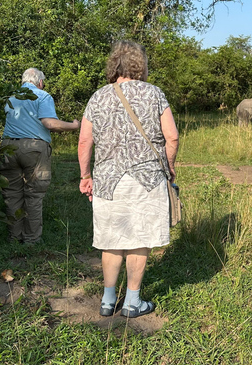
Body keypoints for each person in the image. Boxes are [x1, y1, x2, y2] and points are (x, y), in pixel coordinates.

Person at [77, 41, 178, 318]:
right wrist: (169, 168)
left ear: (114, 65)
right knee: (139, 238)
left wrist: (86, 175)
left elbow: (85, 139)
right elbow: (172, 136)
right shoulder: (155, 94)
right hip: (147, 178)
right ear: (140, 65)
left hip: (108, 180)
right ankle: (133, 302)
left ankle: (108, 301)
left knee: (111, 240)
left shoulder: (98, 97)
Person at [0, 68, 80, 245]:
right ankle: (31, 240)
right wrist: (74, 126)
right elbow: (49, 123)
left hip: (8, 148)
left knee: (12, 194)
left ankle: (14, 237)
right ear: (40, 82)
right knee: (34, 194)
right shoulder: (42, 96)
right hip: (33, 148)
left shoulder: (11, 97)